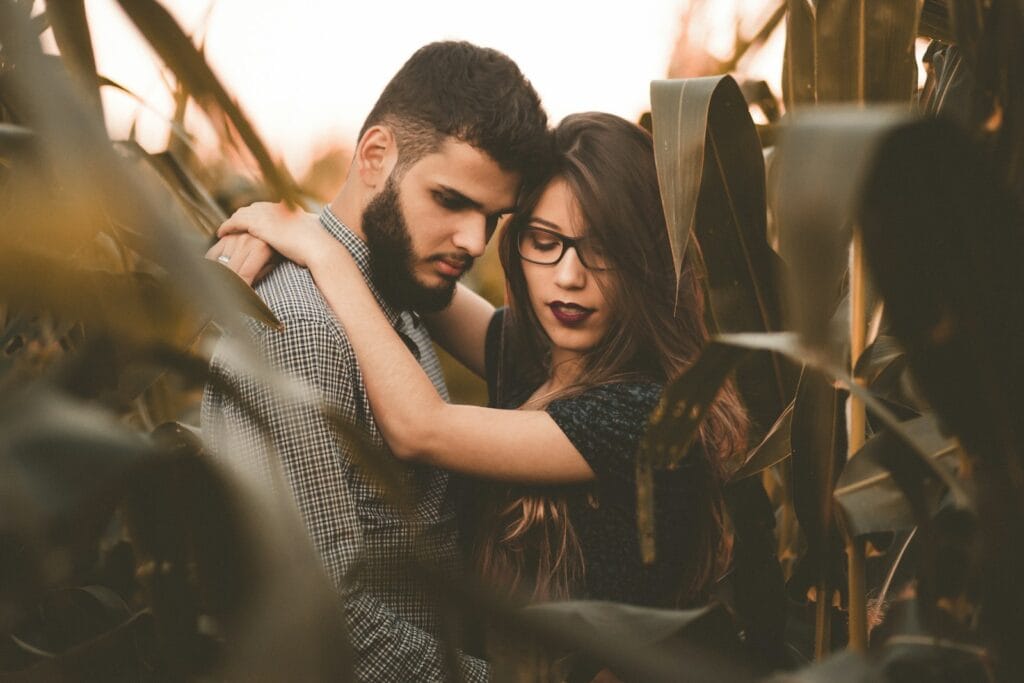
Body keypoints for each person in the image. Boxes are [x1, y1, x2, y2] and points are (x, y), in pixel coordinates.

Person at [215, 113, 750, 615]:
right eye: (545, 241)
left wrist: (321, 252)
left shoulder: (646, 414)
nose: (569, 276)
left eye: (603, 249)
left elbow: (420, 428)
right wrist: (293, 228)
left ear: (648, 259)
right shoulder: (539, 357)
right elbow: (416, 277)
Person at [201, 41, 549, 682]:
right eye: (450, 200)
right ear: (375, 156)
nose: (475, 241)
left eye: (493, 217)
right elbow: (326, 627)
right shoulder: (304, 329)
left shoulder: (397, 289)